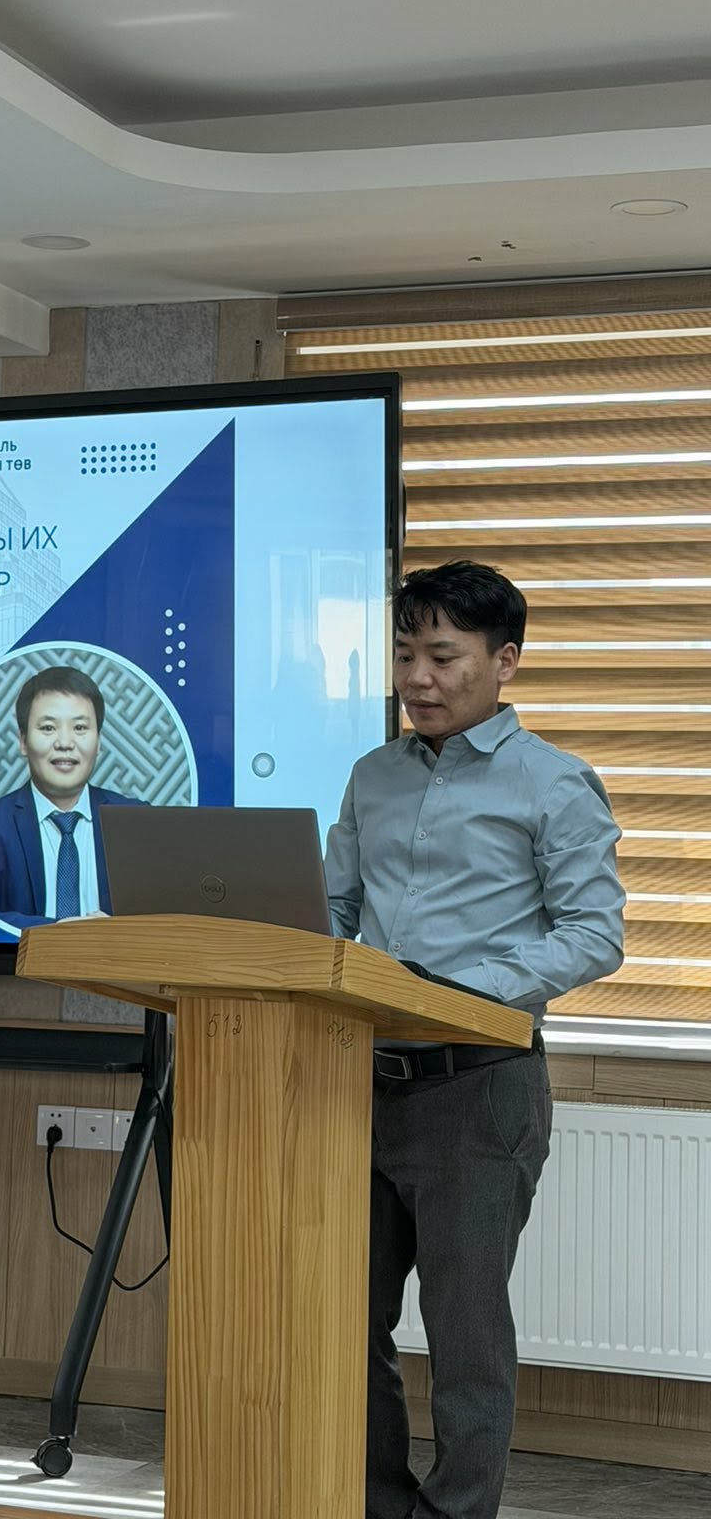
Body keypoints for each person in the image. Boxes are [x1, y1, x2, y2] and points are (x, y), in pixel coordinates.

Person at [324, 560, 625, 1519]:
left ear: (505, 661)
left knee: (465, 1336)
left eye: (443, 656)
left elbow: (594, 934)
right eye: (404, 654)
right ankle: (376, 1504)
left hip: (481, 1087)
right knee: (343, 1321)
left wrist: (455, 991)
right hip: (356, 1082)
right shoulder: (371, 775)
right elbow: (334, 912)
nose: (418, 678)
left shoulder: (555, 782)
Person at [0, 665, 146, 930]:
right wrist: (63, 932)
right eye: (48, 728)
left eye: (80, 727)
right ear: (23, 742)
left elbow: (162, 918)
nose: (65, 743)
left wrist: (114, 935)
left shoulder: (135, 821)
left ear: (99, 741)